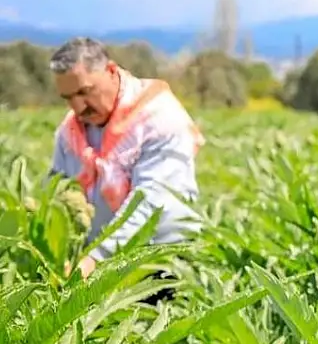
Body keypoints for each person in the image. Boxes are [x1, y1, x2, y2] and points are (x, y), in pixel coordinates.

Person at [48, 37, 204, 287]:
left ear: (111, 71)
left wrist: (95, 259)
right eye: (68, 98)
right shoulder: (70, 132)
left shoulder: (158, 117)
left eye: (84, 92)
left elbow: (150, 202)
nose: (78, 107)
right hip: (98, 266)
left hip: (164, 261)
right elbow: (55, 192)